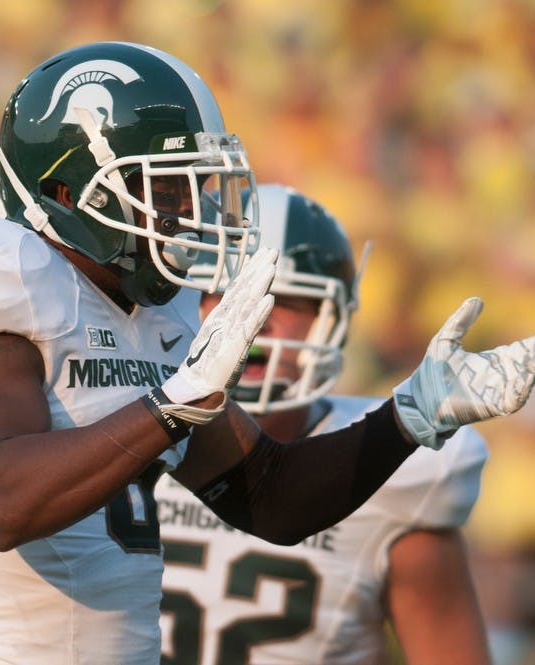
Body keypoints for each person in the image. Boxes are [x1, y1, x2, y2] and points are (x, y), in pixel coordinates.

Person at [0, 41, 535, 665]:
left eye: (196, 185)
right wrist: (170, 407)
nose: (193, 207)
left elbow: (273, 496)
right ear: (66, 190)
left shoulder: (157, 315)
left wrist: (411, 415)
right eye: (166, 186)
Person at [157, 184, 493, 665]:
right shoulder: (120, 423)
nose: (252, 319)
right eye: (221, 293)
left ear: (328, 320)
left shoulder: (396, 468)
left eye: (283, 297)